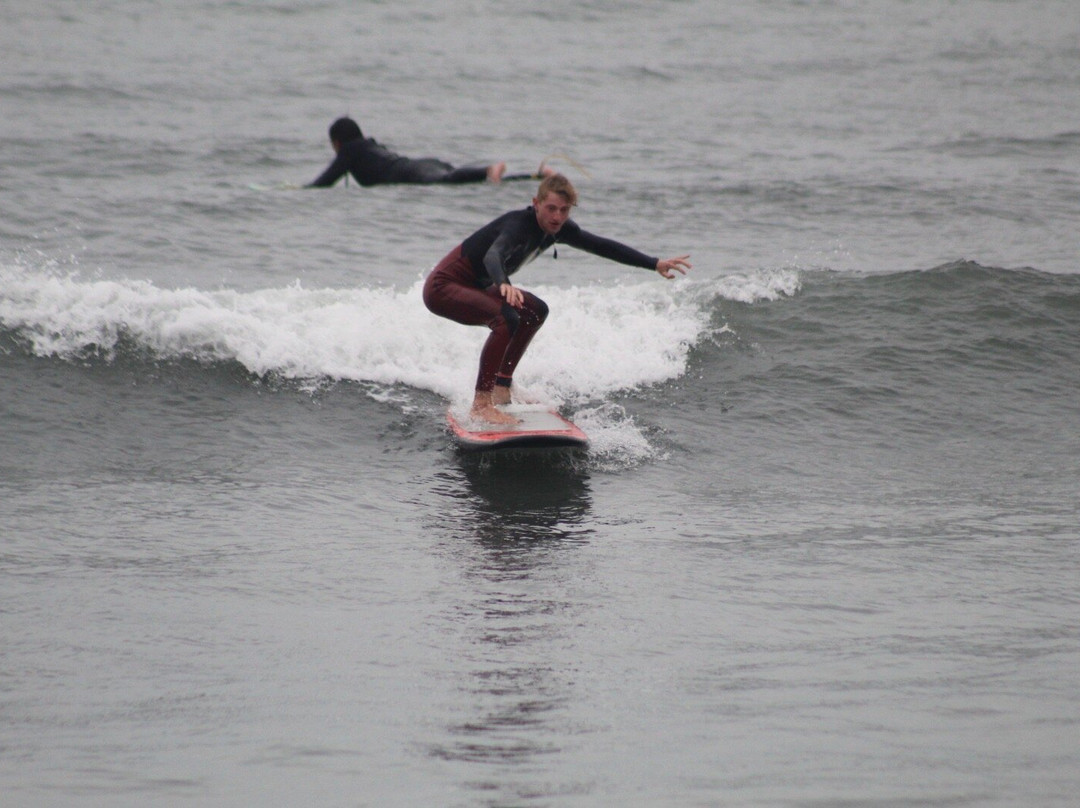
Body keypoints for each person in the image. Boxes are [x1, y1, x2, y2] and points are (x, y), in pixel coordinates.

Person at [423, 173, 691, 425]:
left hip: (475, 287)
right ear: (536, 204)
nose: (557, 216)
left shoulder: (559, 230)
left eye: (564, 210)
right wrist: (503, 283)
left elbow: (602, 246)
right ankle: (481, 404)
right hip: (443, 288)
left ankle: (501, 387)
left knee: (535, 310)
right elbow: (493, 255)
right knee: (506, 318)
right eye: (551, 208)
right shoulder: (518, 225)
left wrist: (654, 263)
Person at [308, 117, 547, 188]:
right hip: (419, 164)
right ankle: (538, 176)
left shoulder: (348, 151)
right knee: (479, 182)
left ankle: (487, 169)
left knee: (450, 181)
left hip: (412, 171)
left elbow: (323, 183)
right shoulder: (367, 145)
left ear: (337, 143)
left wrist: (294, 191)